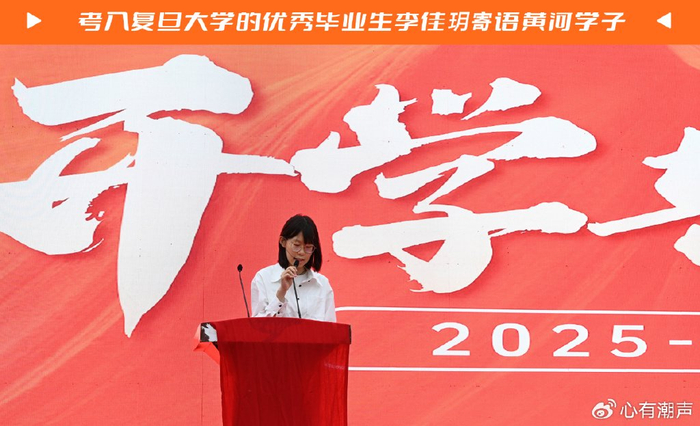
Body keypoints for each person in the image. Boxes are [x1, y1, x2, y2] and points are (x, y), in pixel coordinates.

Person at [251, 214, 336, 322]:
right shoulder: (263, 278)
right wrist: (281, 292)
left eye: (308, 247)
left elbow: (330, 328)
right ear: (283, 241)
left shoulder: (322, 284)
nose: (302, 252)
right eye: (296, 245)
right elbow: (258, 326)